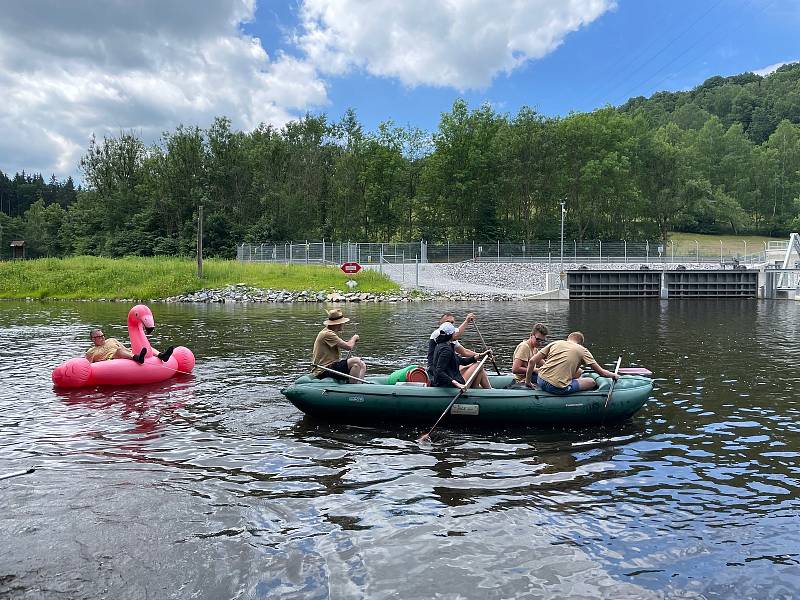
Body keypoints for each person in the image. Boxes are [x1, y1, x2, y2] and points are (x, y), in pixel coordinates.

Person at [524, 331, 618, 395]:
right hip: (556, 387)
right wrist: (614, 375)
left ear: (568, 339)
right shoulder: (582, 350)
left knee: (579, 371)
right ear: (580, 343)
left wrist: (528, 382)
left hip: (540, 380)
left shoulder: (556, 343)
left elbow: (532, 361)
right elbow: (601, 372)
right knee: (591, 382)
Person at [426, 312, 487, 385]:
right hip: (435, 369)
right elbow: (457, 334)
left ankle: (478, 390)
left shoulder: (448, 341)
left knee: (478, 366)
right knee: (478, 366)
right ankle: (483, 390)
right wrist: (467, 321)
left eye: (452, 322)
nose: (450, 324)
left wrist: (482, 355)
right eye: (447, 322)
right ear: (440, 323)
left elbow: (464, 352)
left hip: (447, 368)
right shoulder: (438, 334)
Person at [311, 308, 366, 383]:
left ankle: (360, 387)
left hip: (331, 367)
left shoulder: (329, 333)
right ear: (338, 324)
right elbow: (348, 346)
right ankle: (355, 388)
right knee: (356, 361)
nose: (344, 324)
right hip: (324, 370)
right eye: (343, 323)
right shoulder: (327, 334)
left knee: (360, 365)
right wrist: (354, 338)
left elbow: (345, 345)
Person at [85, 329, 175, 364]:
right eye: (99, 337)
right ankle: (137, 358)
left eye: (103, 335)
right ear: (93, 339)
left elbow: (123, 347)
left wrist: (131, 351)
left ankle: (162, 356)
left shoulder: (111, 340)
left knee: (145, 346)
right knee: (118, 351)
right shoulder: (91, 352)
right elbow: (88, 366)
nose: (102, 338)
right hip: (110, 359)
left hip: (123, 354)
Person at [510, 323, 549, 388]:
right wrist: (534, 370)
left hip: (531, 376)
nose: (540, 343)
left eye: (542, 341)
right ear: (531, 335)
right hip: (522, 380)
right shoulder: (524, 347)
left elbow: (543, 363)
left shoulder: (535, 348)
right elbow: (515, 369)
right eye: (538, 340)